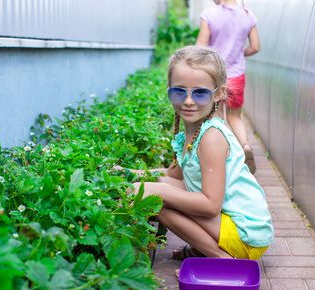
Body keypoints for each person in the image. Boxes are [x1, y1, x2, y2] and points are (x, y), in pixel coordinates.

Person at [117, 45, 273, 276]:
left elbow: (211, 206)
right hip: (233, 224)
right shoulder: (191, 131)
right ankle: (201, 249)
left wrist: (153, 190)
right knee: (161, 190)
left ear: (218, 94)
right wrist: (127, 173)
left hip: (245, 234)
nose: (188, 101)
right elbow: (173, 177)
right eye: (179, 91)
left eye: (200, 93)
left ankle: (222, 259)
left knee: (156, 201)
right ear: (169, 90)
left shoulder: (211, 137)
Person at [195, 0, 260, 174]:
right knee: (235, 118)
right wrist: (239, 52)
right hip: (236, 74)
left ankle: (219, 157)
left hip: (214, 74)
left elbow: (200, 48)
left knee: (216, 118)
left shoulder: (210, 14)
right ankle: (245, 147)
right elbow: (255, 47)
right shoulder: (248, 14)